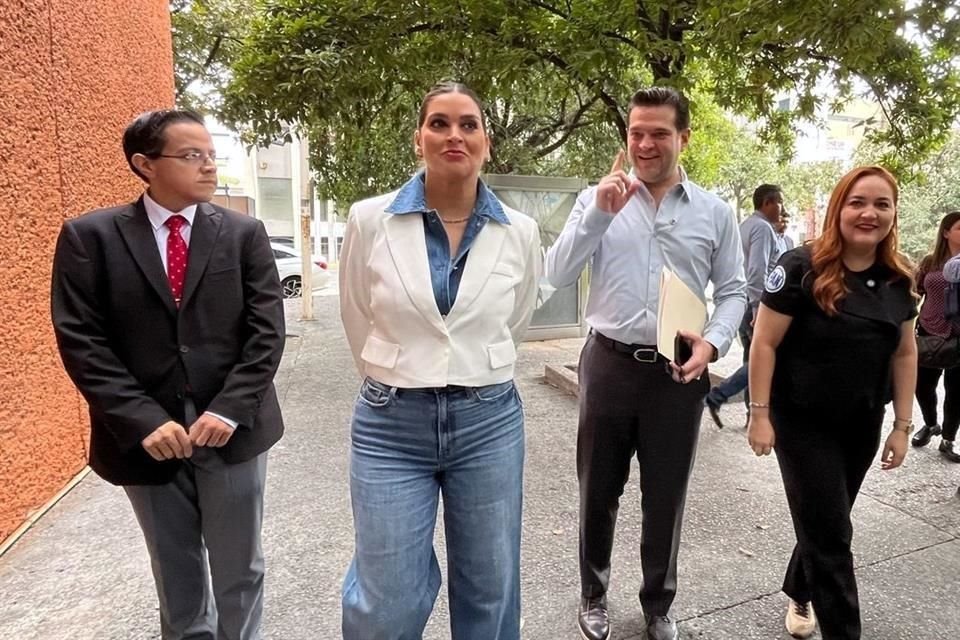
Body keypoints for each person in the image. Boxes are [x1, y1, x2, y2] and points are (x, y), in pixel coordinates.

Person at [51, 109, 286, 640]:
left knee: (240, 570)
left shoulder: (243, 234)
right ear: (145, 164)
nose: (208, 166)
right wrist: (140, 420)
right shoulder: (91, 238)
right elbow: (82, 340)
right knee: (176, 573)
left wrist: (229, 407)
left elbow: (266, 331)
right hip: (146, 439)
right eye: (192, 155)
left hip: (231, 430)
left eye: (210, 154)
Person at [338, 81, 542, 640]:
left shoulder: (519, 232)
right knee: (388, 598)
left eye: (468, 124)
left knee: (490, 585)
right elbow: (359, 314)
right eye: (440, 123)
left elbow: (515, 321)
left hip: (489, 421)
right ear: (419, 138)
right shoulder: (369, 219)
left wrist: (472, 366)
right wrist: (403, 369)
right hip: (389, 423)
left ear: (486, 142)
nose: (455, 134)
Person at [545, 87, 747, 640]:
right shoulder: (596, 200)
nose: (645, 143)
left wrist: (715, 342)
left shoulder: (714, 212)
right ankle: (593, 593)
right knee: (598, 488)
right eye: (636, 132)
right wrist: (598, 218)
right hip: (608, 363)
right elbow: (556, 274)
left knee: (666, 492)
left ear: (683, 137)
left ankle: (658, 603)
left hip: (677, 371)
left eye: (658, 132)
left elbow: (733, 291)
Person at [747, 166, 917, 639]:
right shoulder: (800, 267)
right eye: (858, 202)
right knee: (834, 537)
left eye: (882, 204)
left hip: (861, 422)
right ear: (839, 207)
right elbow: (764, 343)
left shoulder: (898, 279)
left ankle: (800, 588)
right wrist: (759, 415)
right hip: (801, 423)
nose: (869, 213)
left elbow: (905, 353)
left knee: (828, 521)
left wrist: (902, 425)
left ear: (894, 213)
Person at [706, 184, 784, 428]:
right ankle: (718, 395)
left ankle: (752, 415)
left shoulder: (746, 226)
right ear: (768, 202)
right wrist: (758, 306)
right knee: (762, 359)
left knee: (752, 357)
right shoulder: (762, 228)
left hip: (746, 303)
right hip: (756, 305)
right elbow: (757, 270)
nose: (782, 209)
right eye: (780, 203)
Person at [910, 211, 960, 461]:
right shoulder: (930, 261)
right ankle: (931, 424)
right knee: (922, 385)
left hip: (959, 335)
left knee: (956, 391)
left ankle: (948, 439)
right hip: (929, 330)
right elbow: (915, 292)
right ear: (946, 232)